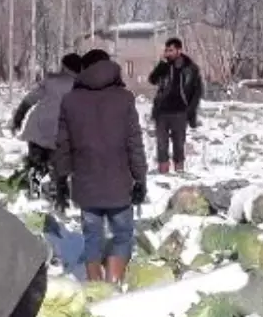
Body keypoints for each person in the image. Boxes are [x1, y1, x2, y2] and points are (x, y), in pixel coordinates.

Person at [54, 48, 147, 284]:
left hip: (86, 185)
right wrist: (140, 178)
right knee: (123, 235)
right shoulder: (124, 98)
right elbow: (134, 142)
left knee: (92, 238)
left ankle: (96, 289)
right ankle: (113, 283)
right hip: (119, 184)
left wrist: (62, 179)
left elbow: (62, 144)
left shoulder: (70, 100)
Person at [9, 53, 82, 196]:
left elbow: (29, 99)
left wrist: (18, 118)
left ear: (65, 67)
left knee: (37, 165)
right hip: (60, 134)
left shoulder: (50, 81)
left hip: (38, 128)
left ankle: (34, 192)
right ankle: (60, 196)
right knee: (60, 166)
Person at [147, 37, 203, 174]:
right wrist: (161, 65)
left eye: (171, 50)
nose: (168, 53)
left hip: (180, 112)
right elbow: (152, 80)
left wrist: (191, 110)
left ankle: (179, 172)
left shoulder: (191, 68)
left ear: (179, 50)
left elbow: (198, 91)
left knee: (178, 144)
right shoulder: (164, 66)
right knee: (161, 145)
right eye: (166, 50)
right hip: (162, 111)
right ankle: (163, 173)